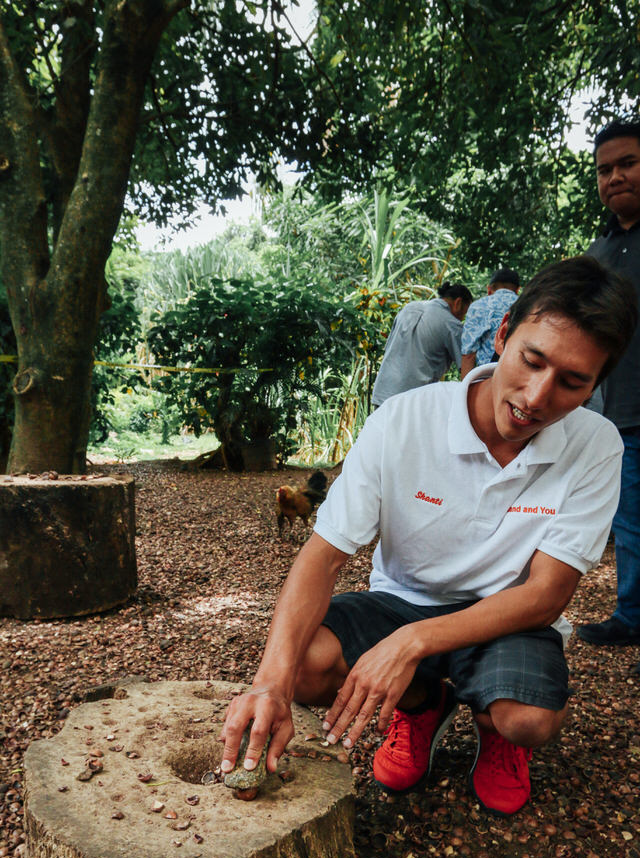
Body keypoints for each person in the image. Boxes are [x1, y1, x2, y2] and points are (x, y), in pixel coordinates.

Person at [221, 257, 637, 817]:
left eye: (572, 382)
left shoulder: (597, 446)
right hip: (403, 602)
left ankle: (498, 734)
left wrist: (412, 644)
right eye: (532, 360)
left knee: (527, 718)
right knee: (303, 664)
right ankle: (423, 703)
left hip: (507, 616)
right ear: (503, 333)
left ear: (596, 384)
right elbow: (323, 556)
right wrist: (268, 682)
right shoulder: (403, 420)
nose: (538, 397)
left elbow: (546, 595)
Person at [576, 119, 640, 653]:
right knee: (632, 524)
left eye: (628, 163)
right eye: (604, 170)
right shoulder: (598, 255)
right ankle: (632, 615)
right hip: (621, 411)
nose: (615, 176)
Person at [370, 281, 472, 408]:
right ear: (458, 303)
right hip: (412, 402)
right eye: (464, 314)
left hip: (383, 393)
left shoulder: (409, 308)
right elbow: (466, 366)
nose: (462, 319)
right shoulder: (451, 324)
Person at [460, 268, 520, 377]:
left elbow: (468, 354)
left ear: (489, 289)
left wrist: (465, 390)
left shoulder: (478, 306)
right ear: (517, 290)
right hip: (518, 377)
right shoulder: (528, 306)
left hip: (487, 379)